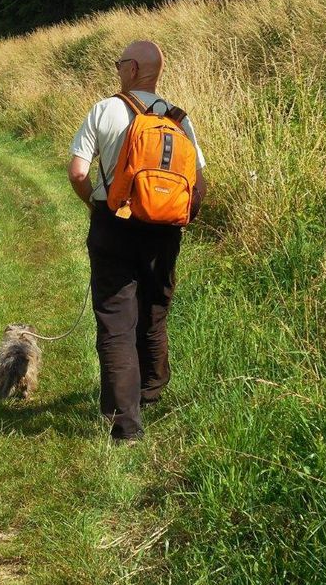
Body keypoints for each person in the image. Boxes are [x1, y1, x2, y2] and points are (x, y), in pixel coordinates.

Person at [67, 41, 207, 444]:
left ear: (130, 69)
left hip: (115, 222)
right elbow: (198, 182)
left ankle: (125, 426)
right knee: (154, 310)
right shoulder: (179, 118)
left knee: (115, 321)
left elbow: (78, 172)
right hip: (165, 229)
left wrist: (94, 205)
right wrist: (179, 218)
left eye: (118, 64)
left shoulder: (105, 110)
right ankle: (151, 392)